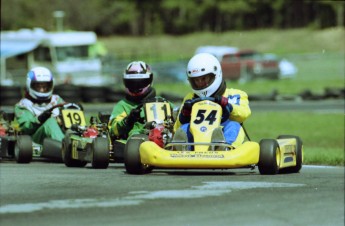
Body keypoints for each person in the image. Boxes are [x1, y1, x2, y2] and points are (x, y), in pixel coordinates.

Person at [174, 53, 251, 148]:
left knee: (234, 126)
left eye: (204, 78)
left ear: (215, 75)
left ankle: (224, 147)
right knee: (184, 128)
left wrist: (228, 106)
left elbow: (244, 114)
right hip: (196, 137)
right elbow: (177, 127)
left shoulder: (234, 95)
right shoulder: (190, 98)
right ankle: (181, 150)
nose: (200, 83)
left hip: (221, 131)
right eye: (196, 80)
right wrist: (184, 114)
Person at [109, 61, 173, 140]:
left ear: (149, 80)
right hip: (134, 143)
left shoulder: (163, 102)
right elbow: (113, 130)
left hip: (163, 139)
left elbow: (178, 119)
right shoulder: (122, 105)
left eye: (139, 83)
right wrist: (128, 120)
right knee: (136, 135)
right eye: (131, 84)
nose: (135, 88)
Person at [14, 66, 65, 145]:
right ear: (30, 84)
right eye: (38, 86)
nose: (42, 90)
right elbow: (26, 129)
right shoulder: (23, 105)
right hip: (34, 141)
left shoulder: (57, 99)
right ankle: (67, 149)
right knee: (50, 123)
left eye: (44, 86)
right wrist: (40, 119)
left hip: (59, 135)